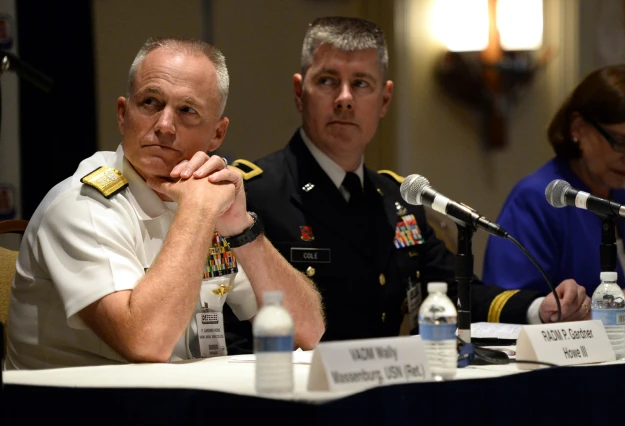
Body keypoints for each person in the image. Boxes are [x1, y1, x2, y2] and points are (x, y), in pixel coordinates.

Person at [224, 17, 589, 346]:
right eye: (327, 81)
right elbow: (232, 325)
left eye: (361, 84)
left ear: (384, 100)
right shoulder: (255, 194)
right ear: (299, 92)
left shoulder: (397, 199)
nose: (345, 99)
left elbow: (453, 291)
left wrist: (541, 308)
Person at [4, 37, 325, 370]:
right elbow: (146, 342)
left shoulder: (204, 197)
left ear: (217, 135)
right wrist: (198, 211)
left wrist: (242, 228)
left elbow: (307, 332)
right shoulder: (82, 206)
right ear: (122, 114)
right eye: (150, 102)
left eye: (186, 111)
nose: (164, 125)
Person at [482, 64, 625, 298]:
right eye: (621, 142)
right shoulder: (536, 200)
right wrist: (623, 300)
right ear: (578, 128)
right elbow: (511, 308)